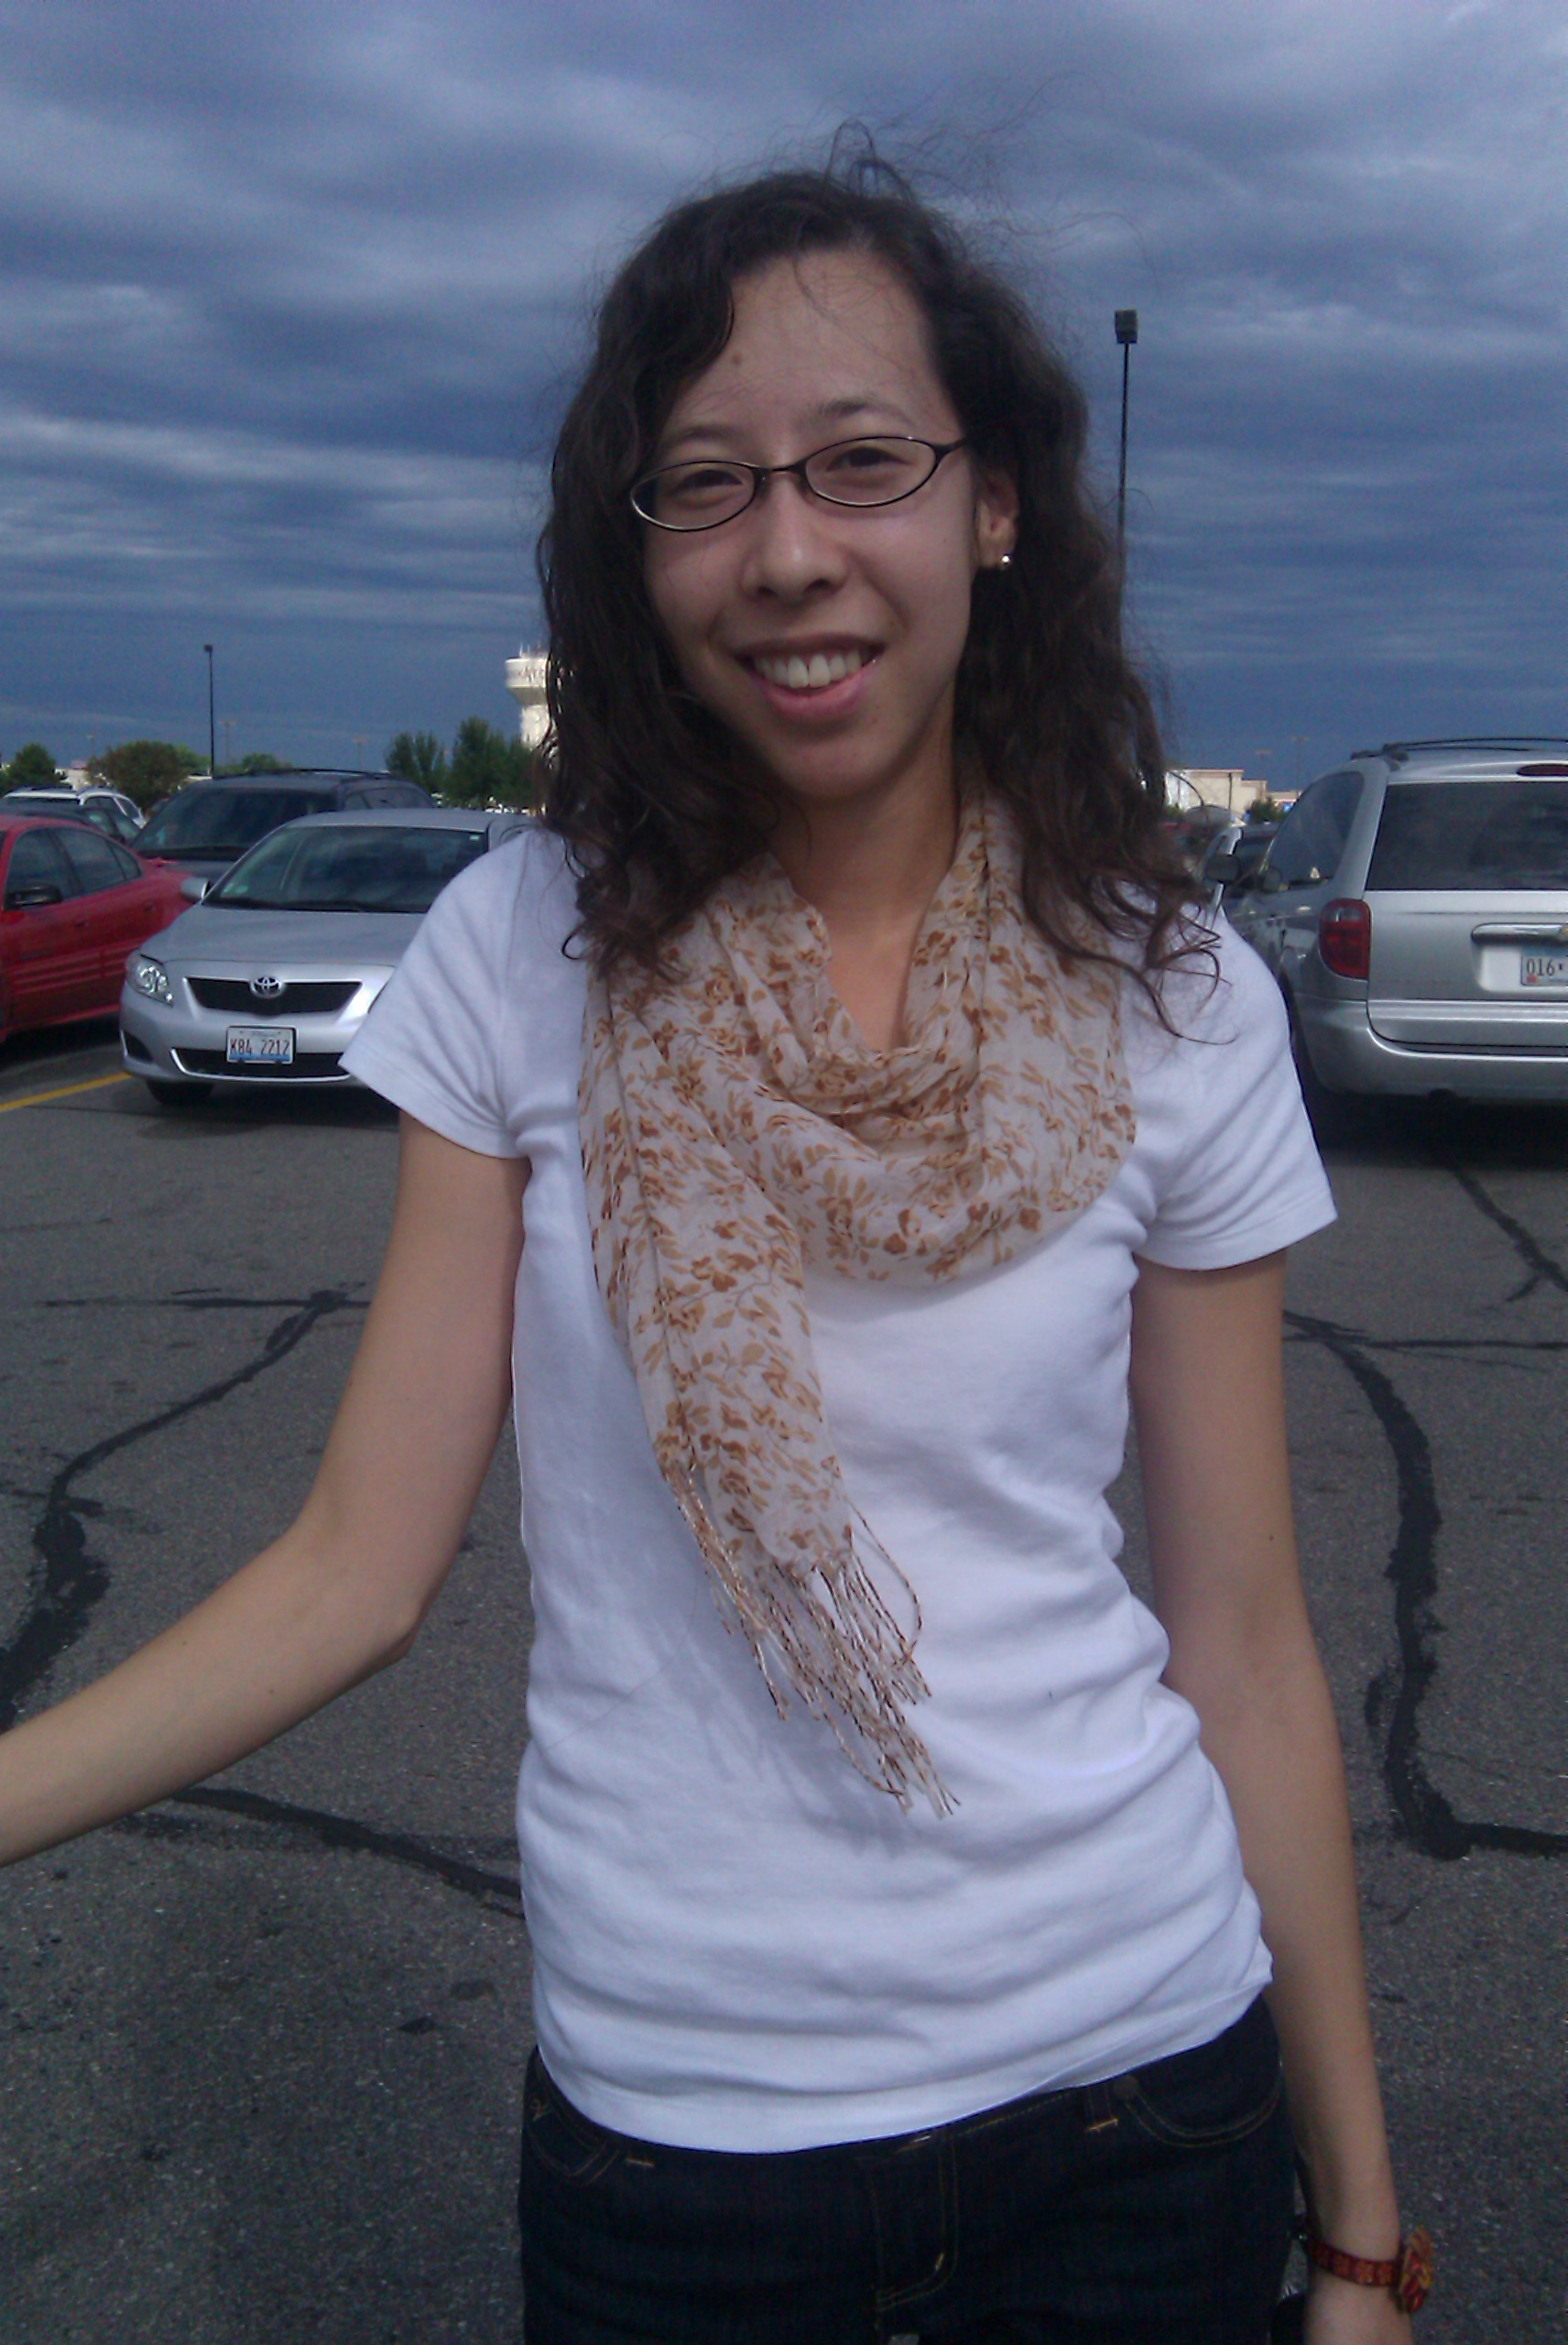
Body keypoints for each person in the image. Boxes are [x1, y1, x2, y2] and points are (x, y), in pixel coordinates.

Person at [0, 152, 1425, 2343]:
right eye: (706, 483)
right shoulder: (524, 947)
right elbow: (354, 1569)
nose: (786, 551)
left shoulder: (1174, 997)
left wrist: (1359, 2234)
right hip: (687, 2151)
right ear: (638, 548)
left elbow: (1243, 1643)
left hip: (1140, 2099)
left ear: (993, 503)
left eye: (863, 461)